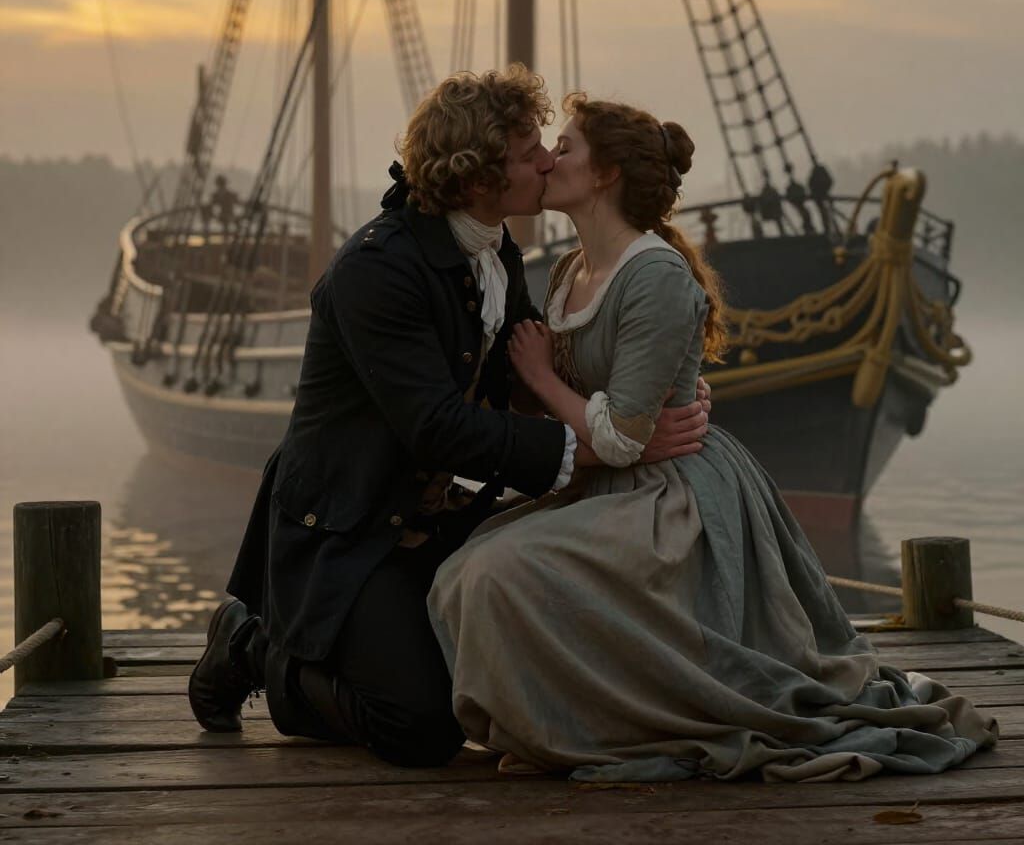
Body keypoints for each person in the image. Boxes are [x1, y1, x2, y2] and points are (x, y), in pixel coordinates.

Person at [427, 93, 998, 782]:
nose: (550, 159)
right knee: (468, 565)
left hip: (674, 504)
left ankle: (591, 729)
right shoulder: (567, 273)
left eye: (567, 147)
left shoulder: (656, 277)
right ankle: (559, 718)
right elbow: (600, 421)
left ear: (605, 174)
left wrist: (543, 379)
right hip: (611, 485)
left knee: (501, 573)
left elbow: (616, 435)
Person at [187, 67, 711, 767]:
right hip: (354, 523)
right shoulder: (378, 271)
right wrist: (601, 450)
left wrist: (642, 405)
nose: (547, 163)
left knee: (515, 640)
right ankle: (253, 646)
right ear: (475, 180)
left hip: (435, 512)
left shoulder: (495, 249)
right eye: (530, 156)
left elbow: (533, 376)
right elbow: (436, 427)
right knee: (422, 725)